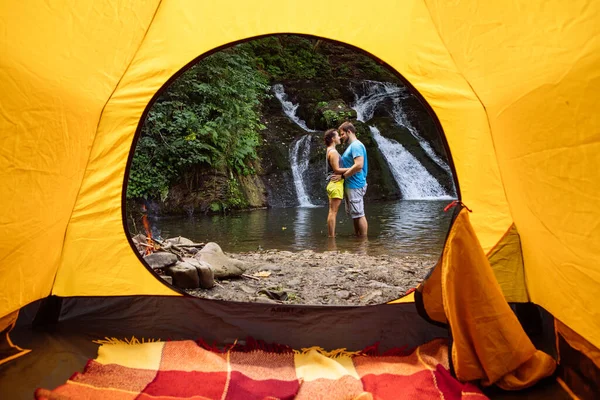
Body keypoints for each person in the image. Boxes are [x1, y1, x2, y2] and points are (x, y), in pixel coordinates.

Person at [332, 122, 368, 236]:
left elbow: (359, 165)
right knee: (355, 214)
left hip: (355, 184)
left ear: (349, 132)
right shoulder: (352, 146)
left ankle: (363, 241)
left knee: (359, 213)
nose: (341, 137)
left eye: (342, 134)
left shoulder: (356, 146)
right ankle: (358, 238)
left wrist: (342, 176)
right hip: (351, 184)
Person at [324, 129, 349, 238]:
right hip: (335, 183)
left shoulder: (329, 150)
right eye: (337, 136)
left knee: (332, 211)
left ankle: (331, 236)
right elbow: (337, 169)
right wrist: (353, 168)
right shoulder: (333, 152)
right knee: (333, 212)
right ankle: (331, 236)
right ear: (333, 139)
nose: (339, 137)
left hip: (332, 183)